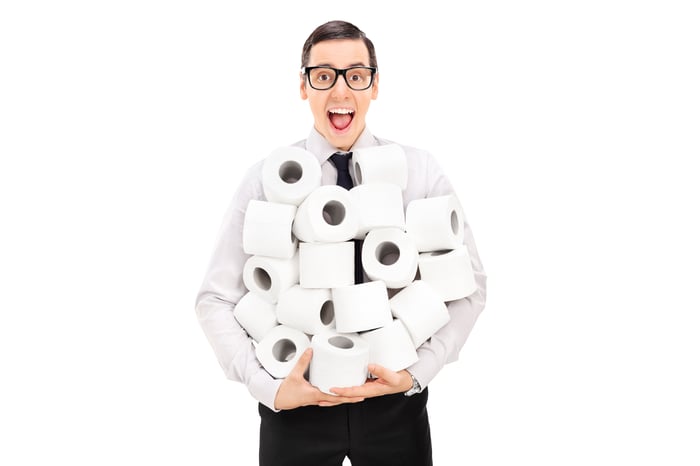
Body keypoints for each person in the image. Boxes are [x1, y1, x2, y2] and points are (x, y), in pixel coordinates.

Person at [195, 20, 487, 466]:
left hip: (395, 404)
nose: (340, 91)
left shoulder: (420, 171)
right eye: (324, 75)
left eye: (355, 74)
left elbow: (470, 286)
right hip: (297, 406)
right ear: (303, 85)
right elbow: (215, 297)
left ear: (374, 85)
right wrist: (270, 388)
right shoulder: (265, 179)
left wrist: (415, 373)